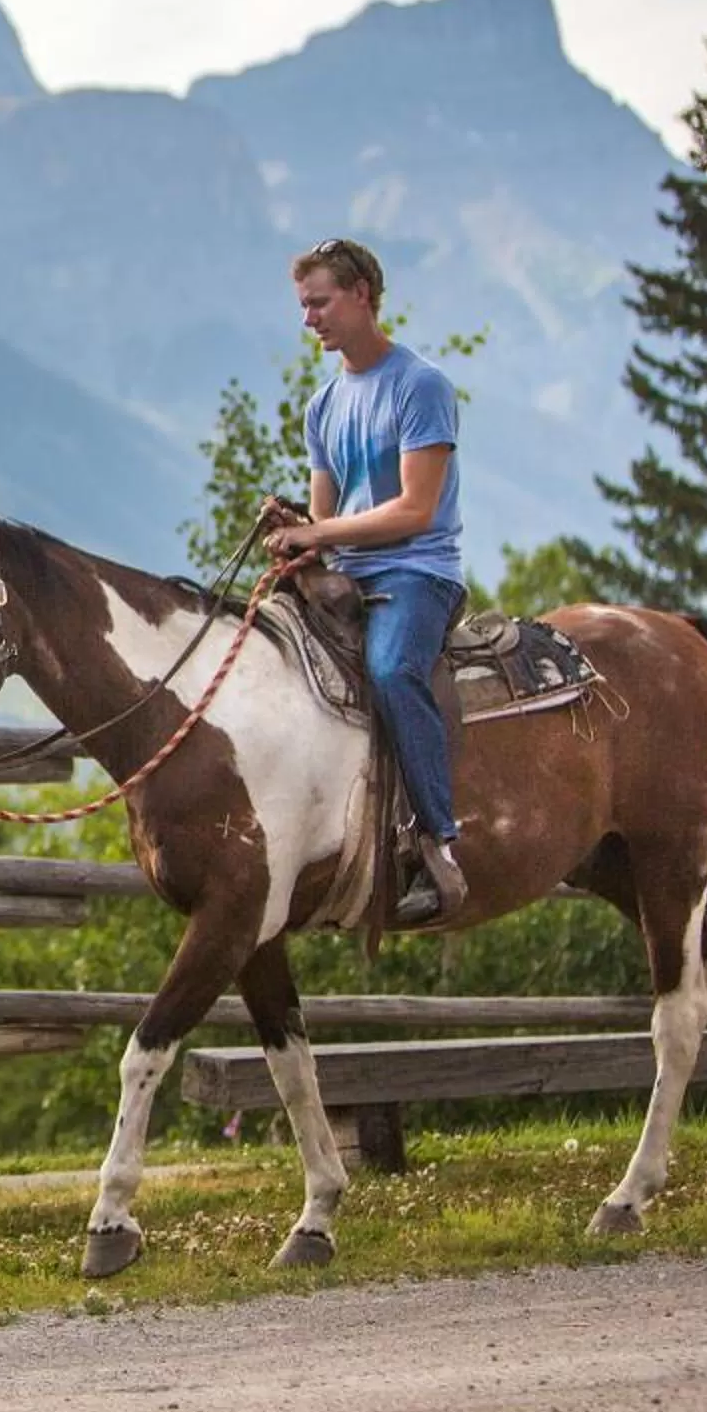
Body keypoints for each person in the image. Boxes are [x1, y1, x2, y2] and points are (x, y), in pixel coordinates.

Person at [262, 238, 471, 926]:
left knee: (389, 670)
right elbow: (328, 516)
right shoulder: (322, 407)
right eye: (303, 306)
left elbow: (415, 508)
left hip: (417, 573)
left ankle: (436, 844)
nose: (309, 319)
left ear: (361, 295)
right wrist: (300, 531)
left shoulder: (422, 387)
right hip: (349, 578)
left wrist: (316, 534)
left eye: (319, 303)